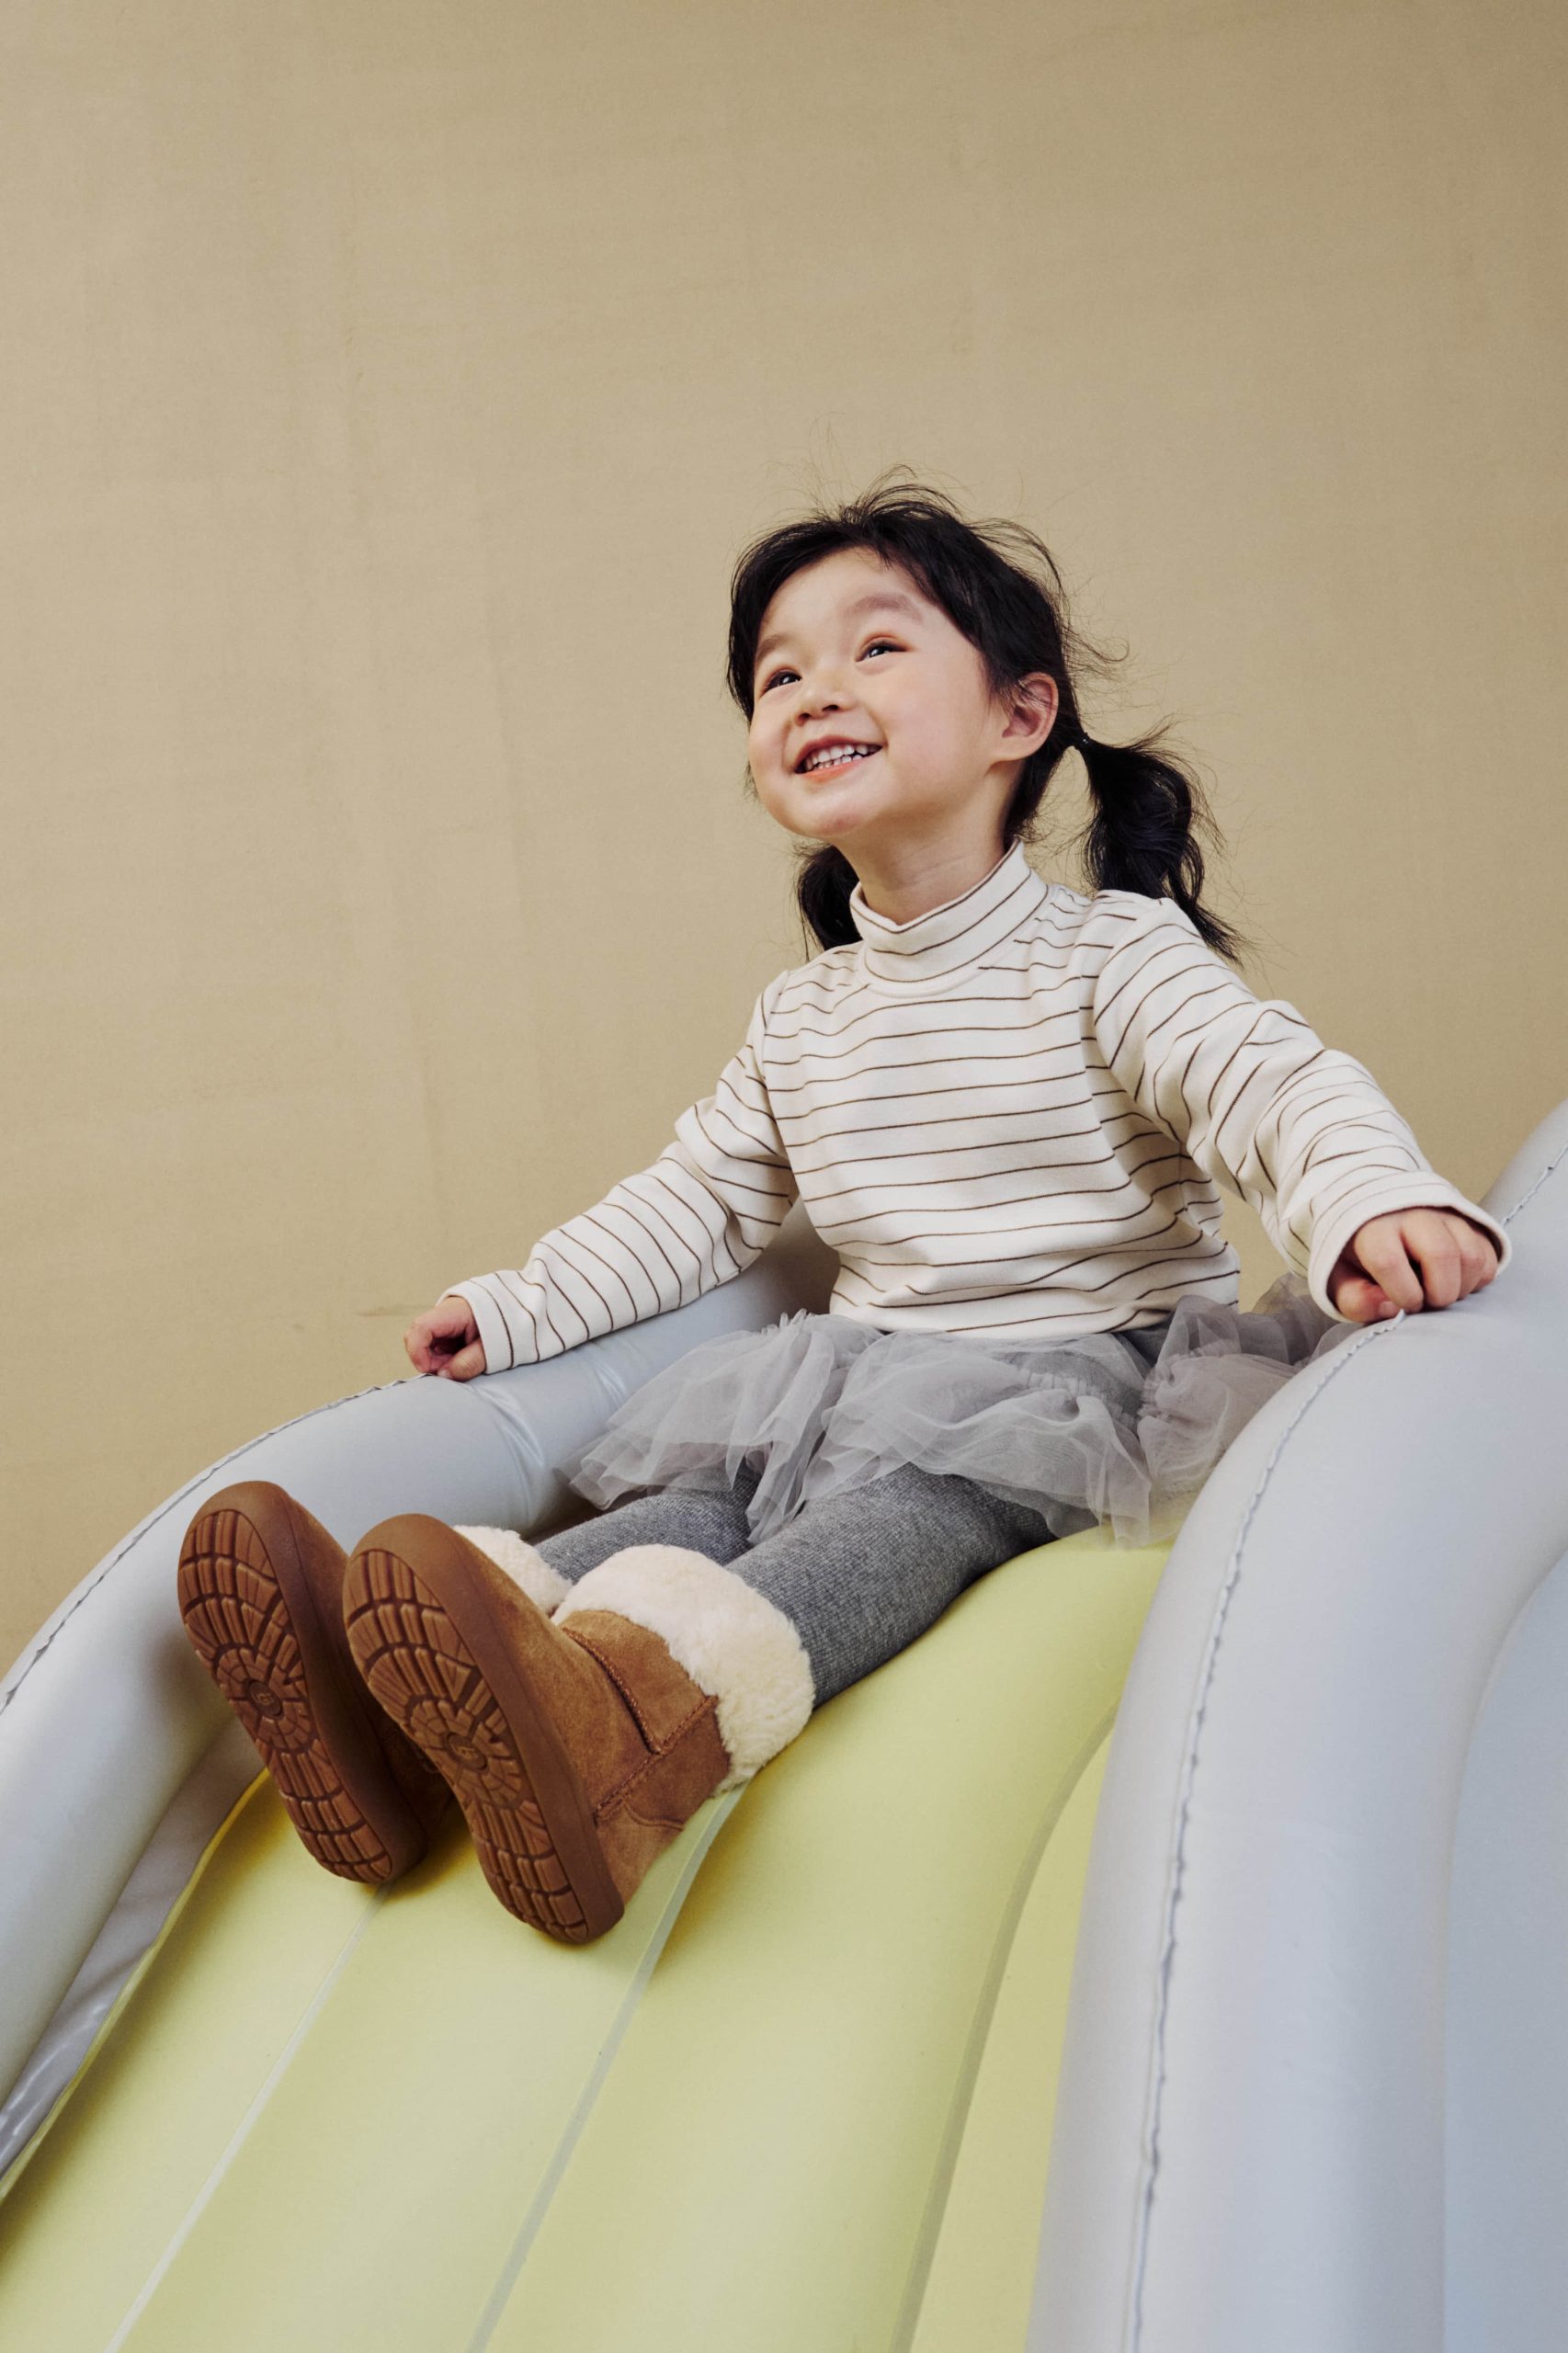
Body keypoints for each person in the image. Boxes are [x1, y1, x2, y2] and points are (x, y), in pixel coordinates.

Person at [177, 476, 1508, 1946]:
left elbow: (1265, 1083)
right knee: (700, 1504)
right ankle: (394, 1703)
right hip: (859, 1367)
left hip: (1076, 1375)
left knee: (904, 1511)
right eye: (777, 676)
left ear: (1018, 717)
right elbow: (696, 1199)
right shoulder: (803, 1015)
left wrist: (1367, 1200)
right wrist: (519, 1305)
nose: (815, 690)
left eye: (875, 648)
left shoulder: (1109, 956)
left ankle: (638, 1741)